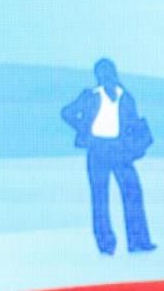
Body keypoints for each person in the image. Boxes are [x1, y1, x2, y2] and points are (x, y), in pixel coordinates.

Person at [60, 58, 155, 255]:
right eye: (102, 73)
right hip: (98, 150)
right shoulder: (90, 96)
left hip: (120, 150)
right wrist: (84, 130)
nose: (106, 77)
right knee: (100, 198)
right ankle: (106, 243)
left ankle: (138, 240)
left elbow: (133, 122)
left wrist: (135, 141)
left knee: (132, 193)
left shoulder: (125, 97)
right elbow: (67, 112)